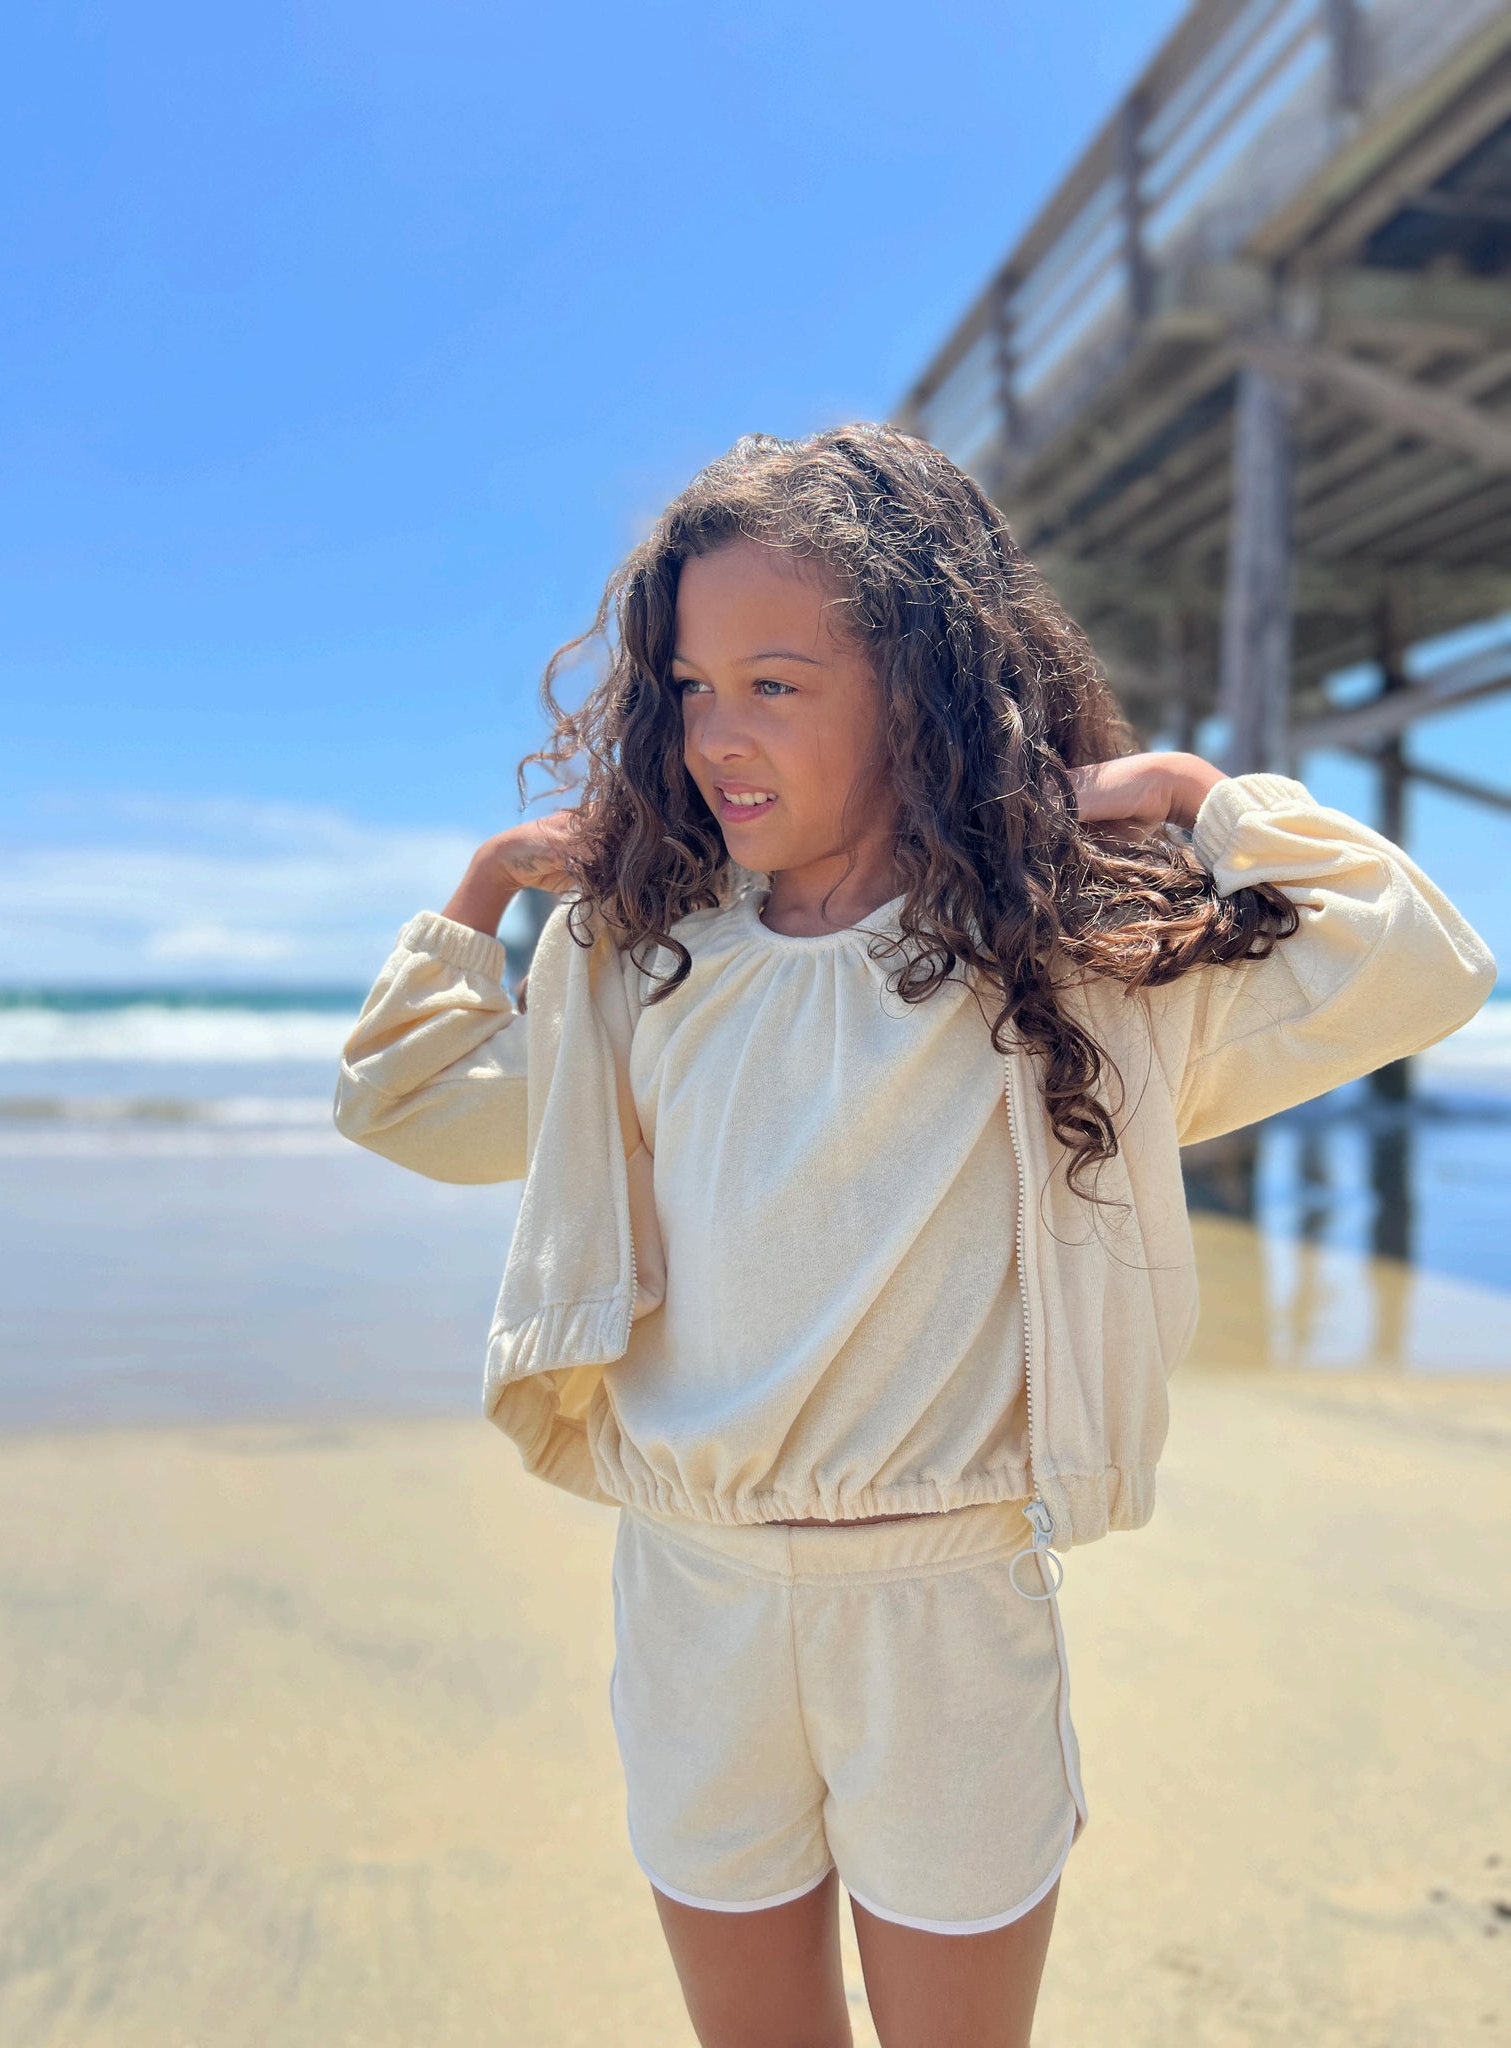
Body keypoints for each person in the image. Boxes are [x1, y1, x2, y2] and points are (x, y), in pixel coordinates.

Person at [333, 424, 1495, 2048]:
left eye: (777, 684)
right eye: (690, 687)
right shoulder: (644, 963)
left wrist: (1185, 791)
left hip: (943, 1608)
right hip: (691, 1591)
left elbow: (1418, 962)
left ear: (923, 688)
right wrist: (487, 884)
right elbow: (410, 1105)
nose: (717, 737)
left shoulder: (1058, 964)